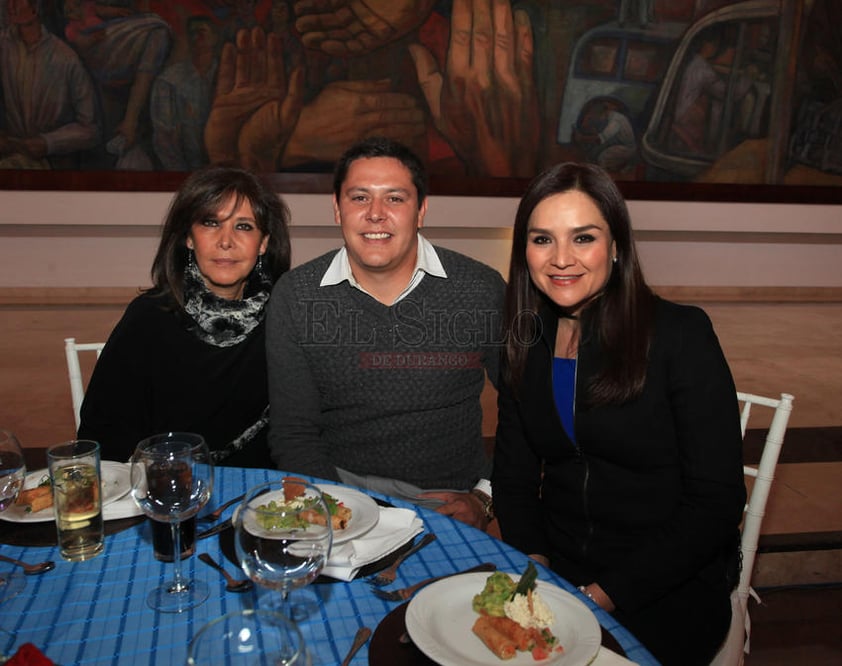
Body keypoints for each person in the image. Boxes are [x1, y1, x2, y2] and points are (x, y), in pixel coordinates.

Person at [492, 162, 746, 665]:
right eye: (543, 240)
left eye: (582, 238)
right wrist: (536, 571)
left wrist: (598, 598)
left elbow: (715, 504)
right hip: (559, 575)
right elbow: (515, 480)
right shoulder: (524, 341)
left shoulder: (680, 336)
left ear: (616, 246)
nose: (561, 259)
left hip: (664, 587)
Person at [266, 136, 505, 529]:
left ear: (421, 210)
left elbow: (526, 409)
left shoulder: (480, 288)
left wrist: (485, 496)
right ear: (337, 209)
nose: (376, 213)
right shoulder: (296, 295)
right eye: (359, 198)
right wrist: (335, 513)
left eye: (395, 198)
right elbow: (295, 432)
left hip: (449, 506)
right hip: (338, 496)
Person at [78, 164, 291, 467]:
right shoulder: (148, 318)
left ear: (263, 243)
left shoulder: (285, 316)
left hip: (262, 497)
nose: (226, 241)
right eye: (210, 223)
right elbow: (103, 435)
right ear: (189, 238)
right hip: (167, 492)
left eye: (243, 226)